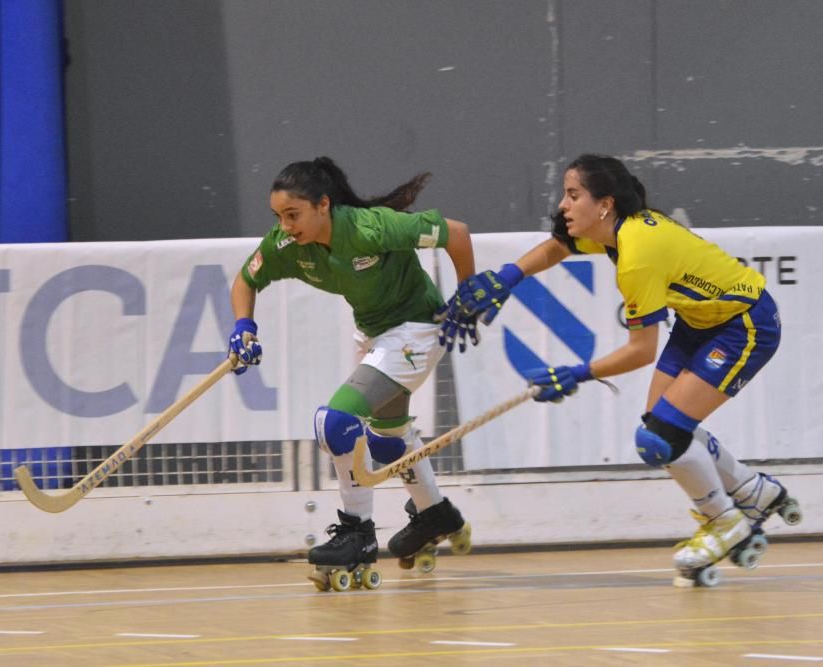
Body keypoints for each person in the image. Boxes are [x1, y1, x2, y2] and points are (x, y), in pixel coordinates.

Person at [441, 153, 802, 585]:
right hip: (700, 321)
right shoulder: (617, 231)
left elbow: (641, 350)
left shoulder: (637, 254)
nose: (562, 205)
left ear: (604, 204)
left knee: (660, 437)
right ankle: (752, 491)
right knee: (661, 430)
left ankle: (726, 523)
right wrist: (509, 275)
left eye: (573, 195)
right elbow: (558, 246)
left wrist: (578, 373)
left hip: (743, 326)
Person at [228, 156, 477, 590]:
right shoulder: (288, 246)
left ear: (324, 205)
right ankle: (435, 514)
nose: (286, 226)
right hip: (376, 336)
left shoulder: (370, 227)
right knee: (387, 439)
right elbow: (246, 281)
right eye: (279, 217)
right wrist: (243, 326)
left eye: (294, 214)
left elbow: (456, 234)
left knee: (336, 421)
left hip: (418, 330)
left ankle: (357, 531)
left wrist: (468, 299)